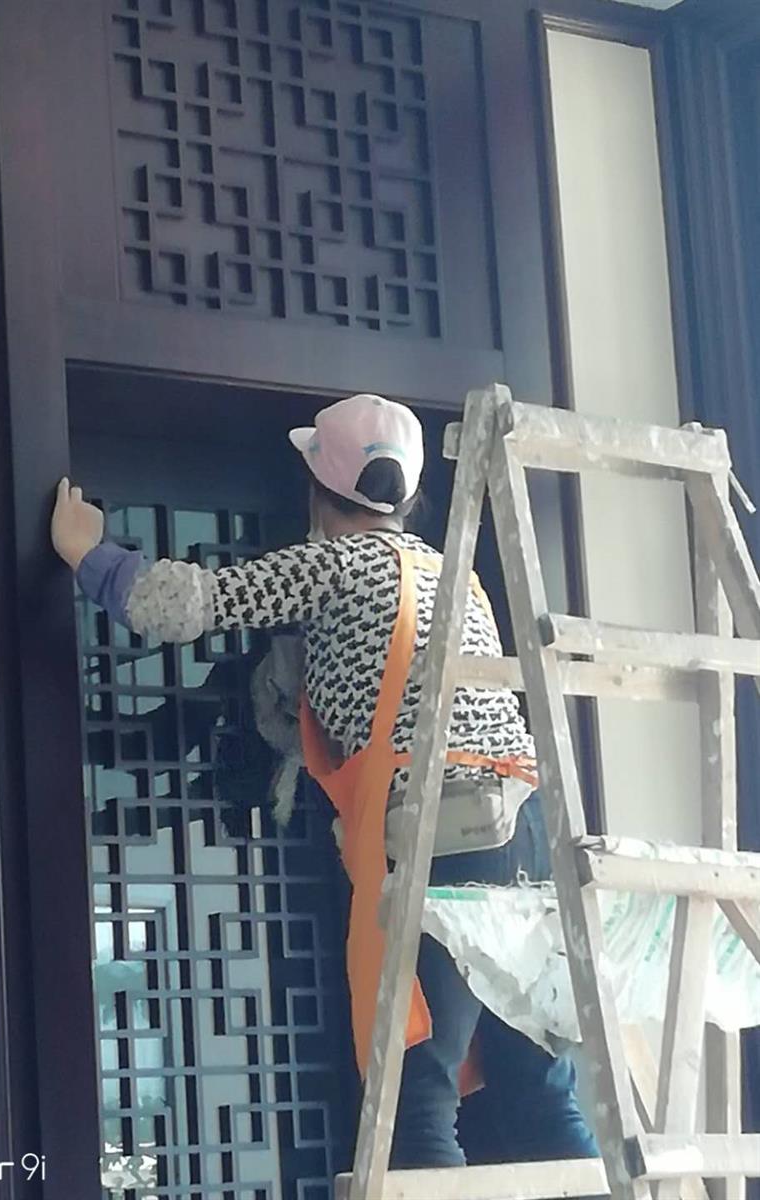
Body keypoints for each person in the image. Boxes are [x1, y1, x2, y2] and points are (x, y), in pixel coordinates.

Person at [51, 392, 599, 1172]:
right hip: (527, 837)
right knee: (539, 1093)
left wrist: (87, 552)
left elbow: (183, 605)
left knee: (415, 1100)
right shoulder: (455, 576)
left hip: (441, 837)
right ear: (410, 496)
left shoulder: (335, 562)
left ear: (317, 490)